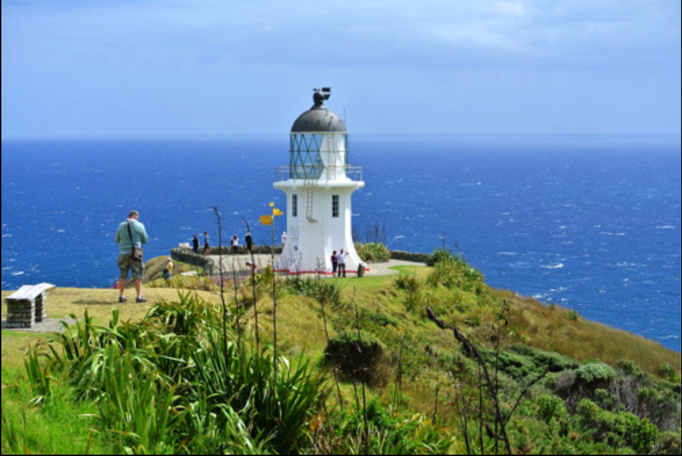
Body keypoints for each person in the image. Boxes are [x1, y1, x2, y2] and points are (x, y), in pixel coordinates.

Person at [114, 210, 149, 303]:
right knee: (138, 274)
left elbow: (116, 239)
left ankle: (121, 296)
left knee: (123, 274)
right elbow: (145, 240)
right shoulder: (140, 225)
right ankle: (139, 297)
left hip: (123, 251)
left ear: (129, 216)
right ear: (136, 217)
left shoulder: (121, 225)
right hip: (137, 251)